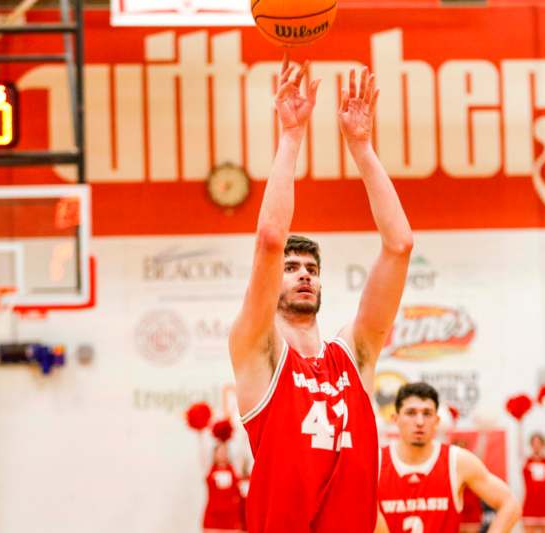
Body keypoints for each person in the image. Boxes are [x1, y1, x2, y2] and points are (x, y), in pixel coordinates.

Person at [228, 55, 413, 533]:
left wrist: (363, 149)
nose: (303, 274)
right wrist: (291, 137)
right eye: (291, 269)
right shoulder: (259, 349)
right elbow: (270, 239)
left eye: (311, 268)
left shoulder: (355, 355)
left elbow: (399, 246)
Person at [375, 383, 520, 533]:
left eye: (427, 413)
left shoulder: (457, 461)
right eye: (411, 413)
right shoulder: (376, 462)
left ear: (437, 421)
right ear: (395, 419)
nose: (419, 422)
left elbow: (510, 503)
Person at [517, 423, 545, 532]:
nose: (536, 445)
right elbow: (519, 447)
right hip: (530, 504)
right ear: (531, 445)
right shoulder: (526, 460)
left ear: (543, 445)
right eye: (534, 443)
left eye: (539, 443)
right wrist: (520, 424)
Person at [199, 440, 244, 533]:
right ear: (214, 454)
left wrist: (245, 433)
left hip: (231, 517)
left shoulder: (235, 469)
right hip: (213, 517)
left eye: (225, 452)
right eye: (220, 451)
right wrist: (200, 434)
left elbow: (241, 452)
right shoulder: (209, 469)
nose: (223, 454)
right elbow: (202, 454)